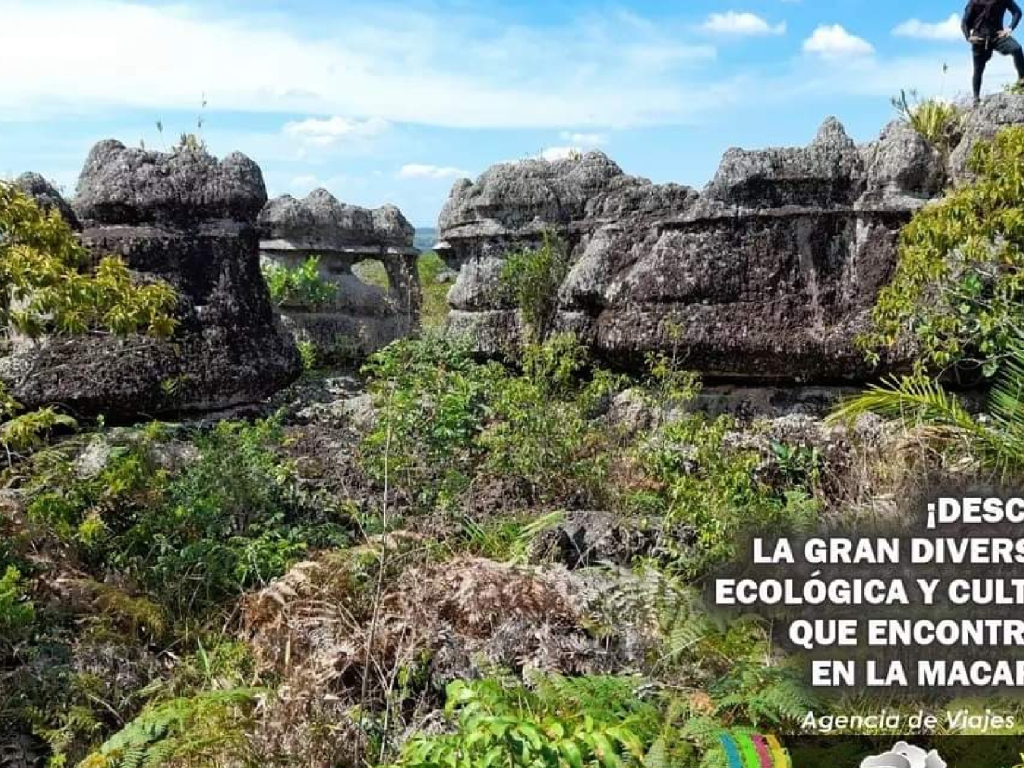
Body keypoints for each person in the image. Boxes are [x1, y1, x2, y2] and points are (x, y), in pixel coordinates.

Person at [963, 0, 1024, 104]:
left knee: (1017, 49)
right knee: (978, 70)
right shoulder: (974, 2)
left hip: (997, 36)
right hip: (980, 39)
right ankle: (976, 99)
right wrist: (968, 37)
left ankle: (1022, 78)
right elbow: (965, 22)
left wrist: (1010, 28)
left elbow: (1017, 12)